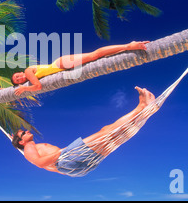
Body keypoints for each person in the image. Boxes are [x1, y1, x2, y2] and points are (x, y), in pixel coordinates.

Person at [11, 87, 156, 175]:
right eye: (23, 133)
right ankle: (142, 107)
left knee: (114, 139)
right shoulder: (29, 147)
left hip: (77, 167)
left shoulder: (30, 148)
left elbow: (47, 168)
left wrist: (67, 170)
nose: (26, 131)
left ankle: (146, 111)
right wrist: (61, 153)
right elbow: (40, 163)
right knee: (107, 132)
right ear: (22, 141)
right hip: (68, 157)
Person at [11, 41, 150, 96]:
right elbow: (21, 87)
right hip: (61, 66)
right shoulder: (26, 79)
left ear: (19, 72)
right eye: (18, 81)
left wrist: (24, 88)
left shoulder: (28, 71)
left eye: (17, 76)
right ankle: (126, 47)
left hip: (60, 65)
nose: (20, 78)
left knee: (94, 55)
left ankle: (128, 46)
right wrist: (1, 90)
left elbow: (37, 86)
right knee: (95, 56)